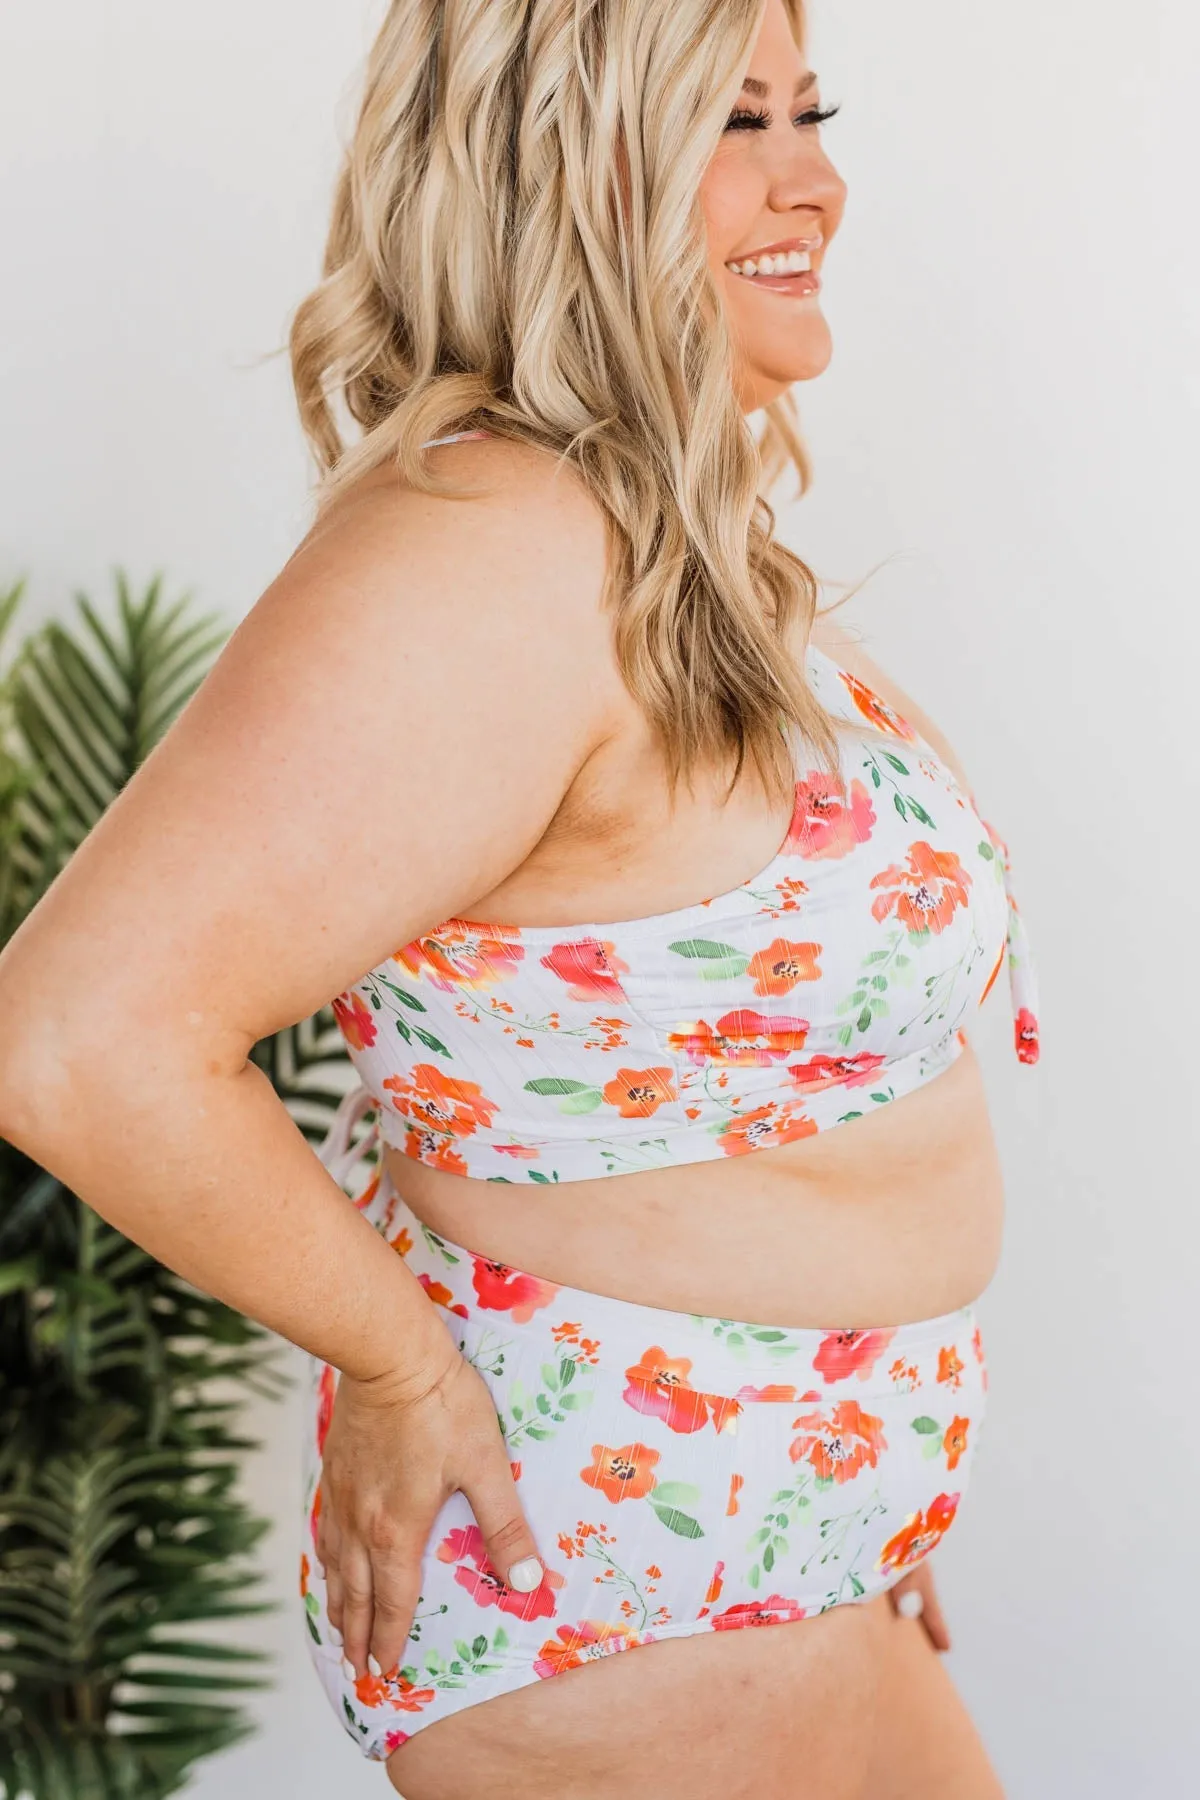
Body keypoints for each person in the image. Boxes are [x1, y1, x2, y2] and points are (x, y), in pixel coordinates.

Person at [0, 0, 1040, 1795]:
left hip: (763, 1547)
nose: (819, 180)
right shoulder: (491, 543)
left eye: (812, 109)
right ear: (565, 170)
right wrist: (405, 1377)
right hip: (613, 1572)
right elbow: (79, 1037)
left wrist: (843, 1435)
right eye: (737, 123)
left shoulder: (665, 534)